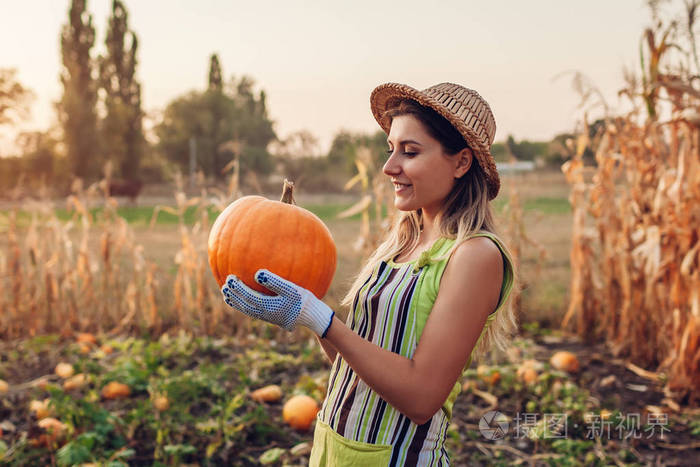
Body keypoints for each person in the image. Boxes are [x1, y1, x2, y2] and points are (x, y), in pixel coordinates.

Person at [221, 82, 517, 466]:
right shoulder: (398, 245)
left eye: (410, 152)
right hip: (334, 450)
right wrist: (307, 315)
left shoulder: (475, 256)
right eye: (390, 149)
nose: (389, 166)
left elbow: (421, 398)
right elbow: (357, 365)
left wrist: (323, 320)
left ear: (461, 163)